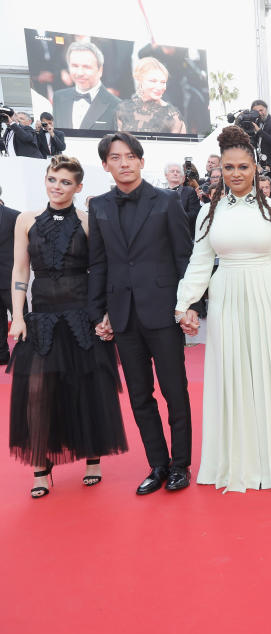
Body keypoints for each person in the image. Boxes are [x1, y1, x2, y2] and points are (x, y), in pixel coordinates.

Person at [174, 126, 271, 491]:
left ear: (256, 169)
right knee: (231, 372)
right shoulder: (208, 211)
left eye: (243, 167)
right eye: (229, 167)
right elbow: (199, 262)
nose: (236, 174)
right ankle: (235, 460)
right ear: (219, 169)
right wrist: (184, 304)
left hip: (270, 294)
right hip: (227, 297)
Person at [8, 155, 127, 498]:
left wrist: (103, 314)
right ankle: (41, 466)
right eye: (52, 179)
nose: (57, 187)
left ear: (78, 187)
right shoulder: (25, 221)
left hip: (81, 317)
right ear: (45, 180)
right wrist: (17, 315)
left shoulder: (89, 222)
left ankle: (92, 459)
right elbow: (20, 271)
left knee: (87, 387)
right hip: (41, 317)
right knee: (37, 391)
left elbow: (101, 273)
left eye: (65, 182)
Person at [87, 132, 195, 494]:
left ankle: (181, 465)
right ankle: (158, 464)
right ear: (106, 165)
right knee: (139, 395)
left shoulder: (166, 201)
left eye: (131, 156)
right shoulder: (99, 206)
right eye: (116, 158)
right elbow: (98, 264)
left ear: (142, 161)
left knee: (174, 392)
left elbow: (184, 258)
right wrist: (99, 311)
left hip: (163, 312)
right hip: (124, 314)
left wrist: (189, 305)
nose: (124, 163)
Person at [51, 41, 120, 130]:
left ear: (100, 70)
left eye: (86, 67)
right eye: (75, 66)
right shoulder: (58, 97)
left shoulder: (118, 106)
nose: (80, 73)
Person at [115, 57, 186, 134]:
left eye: (163, 82)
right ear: (140, 80)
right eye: (153, 81)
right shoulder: (123, 109)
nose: (159, 87)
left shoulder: (172, 116)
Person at [0, 195, 20, 365]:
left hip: (11, 277)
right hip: (9, 276)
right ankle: (4, 355)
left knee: (20, 315)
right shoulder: (14, 215)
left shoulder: (15, 216)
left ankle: (23, 353)